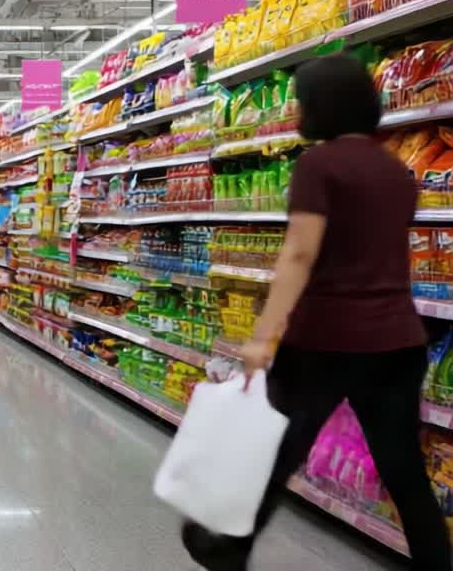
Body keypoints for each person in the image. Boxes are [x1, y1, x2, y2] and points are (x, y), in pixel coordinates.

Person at [181, 55, 451, 570]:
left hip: (325, 339)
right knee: (405, 473)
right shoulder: (398, 171)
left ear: (324, 105)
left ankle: (229, 548)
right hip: (397, 341)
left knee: (275, 450)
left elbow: (301, 254)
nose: (299, 108)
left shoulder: (318, 165)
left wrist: (264, 333)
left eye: (303, 98)